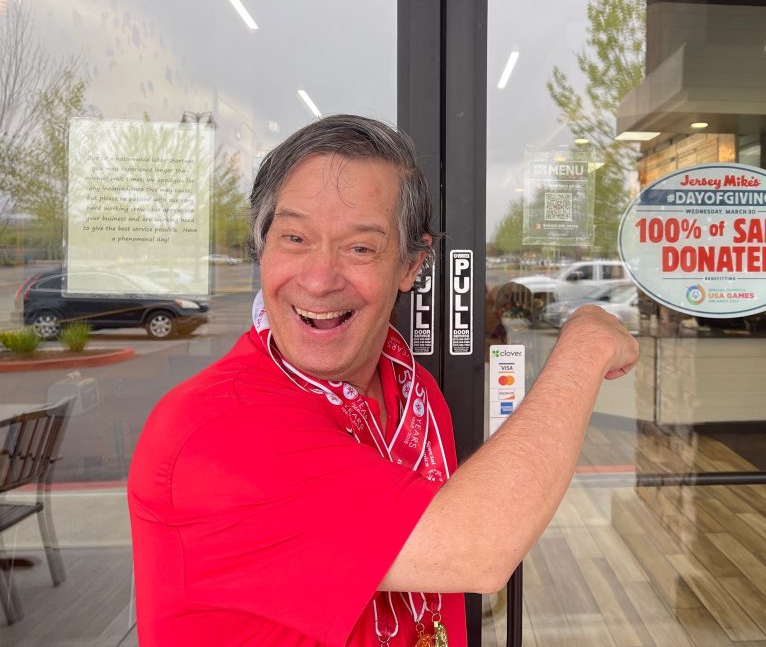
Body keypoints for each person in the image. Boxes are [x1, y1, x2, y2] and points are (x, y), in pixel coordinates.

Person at [127, 114, 638, 646]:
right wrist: (584, 345)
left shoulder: (411, 389)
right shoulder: (212, 433)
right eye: (295, 237)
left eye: (360, 248)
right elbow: (477, 548)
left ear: (411, 265)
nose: (320, 278)